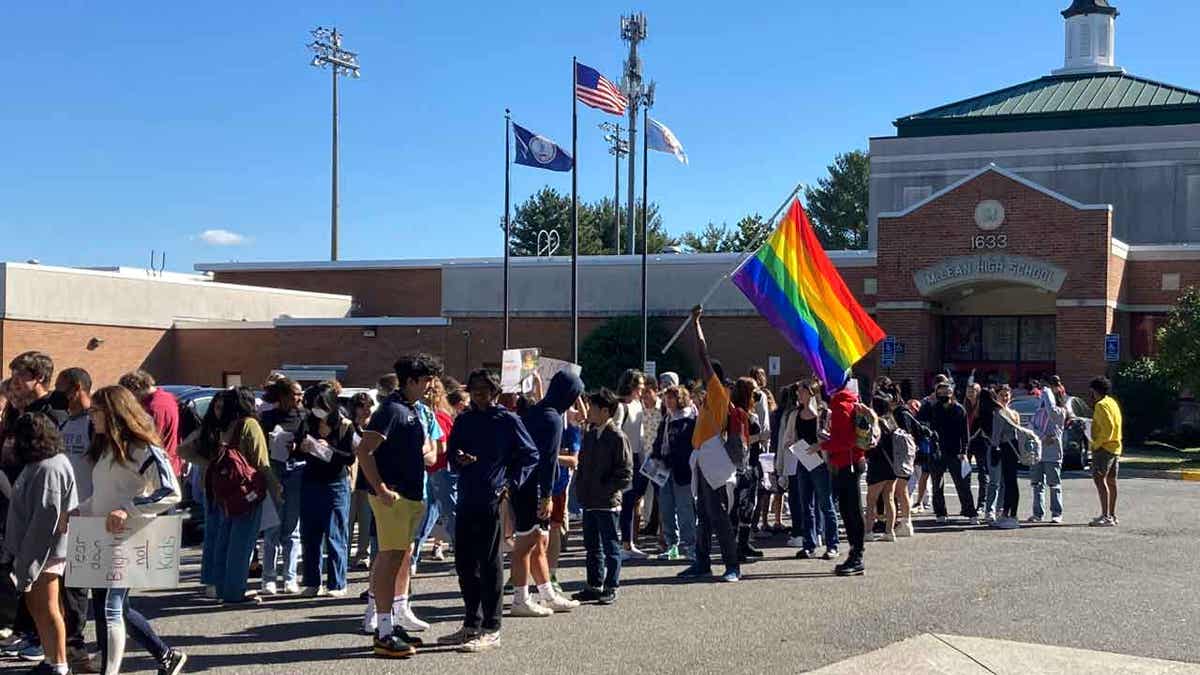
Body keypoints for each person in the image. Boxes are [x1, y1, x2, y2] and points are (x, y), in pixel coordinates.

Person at [78, 386, 186, 675]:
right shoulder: (106, 449)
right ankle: (167, 655)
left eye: (96, 411)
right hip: (102, 537)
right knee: (116, 608)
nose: (91, 418)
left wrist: (128, 509)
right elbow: (104, 496)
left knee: (111, 608)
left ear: (113, 413)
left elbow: (170, 491)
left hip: (129, 538)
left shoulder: (145, 448)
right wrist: (79, 511)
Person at [436, 369, 538, 654]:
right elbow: (452, 452)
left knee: (490, 563)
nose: (478, 395)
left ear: (495, 392)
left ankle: (492, 628)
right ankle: (471, 622)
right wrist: (458, 459)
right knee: (465, 564)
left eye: (484, 390)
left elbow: (531, 454)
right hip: (466, 495)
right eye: (475, 390)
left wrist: (511, 483)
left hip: (492, 498)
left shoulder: (507, 420)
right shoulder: (465, 419)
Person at [355, 355, 443, 658]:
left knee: (399, 558)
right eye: (427, 379)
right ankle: (383, 631)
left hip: (409, 496)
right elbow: (364, 450)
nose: (431, 385)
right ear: (411, 381)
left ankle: (390, 622)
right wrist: (380, 488)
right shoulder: (391, 410)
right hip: (392, 498)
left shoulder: (410, 410)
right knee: (389, 559)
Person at [3, 413, 76, 675]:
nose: (11, 444)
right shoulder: (40, 464)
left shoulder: (49, 468)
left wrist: (27, 564)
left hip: (43, 553)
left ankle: (59, 665)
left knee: (48, 608)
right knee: (37, 607)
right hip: (33, 551)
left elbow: (45, 519)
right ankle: (50, 659)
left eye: (15, 438)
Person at [193, 387, 280, 604]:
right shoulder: (249, 425)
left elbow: (188, 448)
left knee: (224, 540)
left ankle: (222, 587)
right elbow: (261, 462)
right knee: (242, 543)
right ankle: (235, 591)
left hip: (222, 491)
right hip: (245, 490)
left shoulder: (223, 426)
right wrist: (276, 488)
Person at [511, 370, 584, 616]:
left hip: (523, 484)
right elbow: (548, 460)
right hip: (534, 487)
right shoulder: (552, 418)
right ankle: (520, 599)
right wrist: (547, 495)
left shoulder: (537, 410)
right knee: (526, 544)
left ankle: (547, 594)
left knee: (538, 541)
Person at [677, 306, 742, 583]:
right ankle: (702, 562)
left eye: (705, 376)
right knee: (703, 514)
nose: (701, 379)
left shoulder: (718, 393)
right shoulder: (709, 400)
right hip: (704, 459)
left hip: (714, 460)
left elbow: (702, 354)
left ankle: (732, 566)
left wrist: (696, 324)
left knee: (718, 516)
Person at [51, 368, 98, 672]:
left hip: (90, 513)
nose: (59, 395)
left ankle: (78, 647)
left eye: (62, 388)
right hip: (67, 514)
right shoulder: (67, 421)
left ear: (77, 387)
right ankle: (72, 645)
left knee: (81, 585)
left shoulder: (95, 423)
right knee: (70, 585)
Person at [570, 389, 633, 605]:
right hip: (589, 500)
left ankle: (611, 585)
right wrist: (582, 489)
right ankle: (594, 584)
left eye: (593, 408)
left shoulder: (617, 436)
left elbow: (625, 473)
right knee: (592, 546)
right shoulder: (590, 434)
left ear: (605, 411)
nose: (589, 411)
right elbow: (583, 465)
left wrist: (606, 489)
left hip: (606, 502)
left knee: (610, 546)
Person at [298, 383, 357, 597]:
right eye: (312, 405)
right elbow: (296, 451)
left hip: (335, 483)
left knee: (335, 533)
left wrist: (327, 447)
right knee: (310, 534)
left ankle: (337, 583)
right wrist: (299, 448)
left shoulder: (344, 425)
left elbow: (349, 457)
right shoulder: (307, 422)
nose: (315, 409)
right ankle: (312, 582)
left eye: (320, 405)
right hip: (311, 481)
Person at [259, 377, 306, 595]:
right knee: (272, 527)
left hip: (297, 469)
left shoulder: (304, 417)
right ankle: (268, 577)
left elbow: (312, 443)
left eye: (300, 394)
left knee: (292, 528)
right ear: (283, 396)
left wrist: (299, 445)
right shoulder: (267, 418)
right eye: (295, 394)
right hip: (275, 470)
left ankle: (290, 577)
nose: (299, 398)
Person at [412, 378, 457, 571]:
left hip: (441, 470)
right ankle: (413, 557)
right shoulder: (424, 414)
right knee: (426, 516)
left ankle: (463, 556)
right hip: (429, 471)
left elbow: (443, 447)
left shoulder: (439, 416)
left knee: (450, 514)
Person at [791, 379, 839, 560]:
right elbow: (793, 435)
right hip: (803, 461)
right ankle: (808, 544)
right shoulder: (796, 414)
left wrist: (819, 447)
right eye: (798, 392)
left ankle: (832, 545)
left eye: (802, 392)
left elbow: (832, 437)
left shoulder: (824, 414)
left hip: (820, 463)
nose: (799, 395)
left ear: (812, 394)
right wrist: (793, 444)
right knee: (806, 505)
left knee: (826, 505)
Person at [824, 380, 866, 576]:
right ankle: (855, 553)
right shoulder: (849, 401)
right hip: (850, 462)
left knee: (851, 511)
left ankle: (857, 555)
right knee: (850, 510)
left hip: (846, 463)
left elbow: (845, 440)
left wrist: (823, 445)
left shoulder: (840, 406)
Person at [921, 380, 978, 525]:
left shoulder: (959, 409)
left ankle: (970, 512)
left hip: (956, 451)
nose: (943, 395)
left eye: (946, 392)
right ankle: (940, 513)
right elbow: (921, 422)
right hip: (936, 450)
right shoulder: (932, 408)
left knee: (962, 484)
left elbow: (965, 433)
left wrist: (964, 450)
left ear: (952, 393)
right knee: (937, 484)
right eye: (940, 393)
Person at [652, 385, 697, 561]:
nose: (667, 401)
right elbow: (658, 441)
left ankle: (691, 546)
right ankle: (672, 545)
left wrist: (671, 457)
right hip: (664, 470)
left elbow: (686, 447)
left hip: (682, 470)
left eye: (671, 398)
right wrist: (656, 455)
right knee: (666, 508)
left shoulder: (689, 419)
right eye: (666, 398)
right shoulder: (666, 419)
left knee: (685, 508)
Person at [548, 397, 585, 591]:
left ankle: (551, 574)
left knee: (554, 529)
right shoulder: (541, 421)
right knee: (528, 534)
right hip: (536, 485)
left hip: (558, 486)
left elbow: (573, 460)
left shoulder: (571, 430)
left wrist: (549, 456)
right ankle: (516, 576)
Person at [118, 370, 182, 478]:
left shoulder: (154, 408)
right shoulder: (168, 397)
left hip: (158, 470)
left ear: (135, 388)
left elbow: (149, 441)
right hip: (170, 464)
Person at [613, 369, 648, 559]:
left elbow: (640, 434)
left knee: (633, 500)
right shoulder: (620, 406)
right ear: (631, 386)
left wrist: (643, 458)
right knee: (624, 501)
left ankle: (629, 542)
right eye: (640, 385)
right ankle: (624, 544)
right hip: (624, 459)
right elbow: (616, 433)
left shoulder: (638, 404)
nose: (642, 389)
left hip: (636, 457)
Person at [1028, 387, 1067, 524]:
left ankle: (1057, 513)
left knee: (1054, 485)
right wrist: (1043, 437)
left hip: (1053, 455)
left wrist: (1047, 391)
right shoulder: (1038, 413)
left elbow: (1051, 410)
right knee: (1037, 485)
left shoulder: (1059, 412)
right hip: (1037, 454)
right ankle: (1037, 514)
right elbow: (1031, 428)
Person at [1088, 377, 1123, 527]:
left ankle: (1106, 515)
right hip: (1115, 447)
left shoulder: (1101, 405)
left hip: (1104, 448)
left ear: (1095, 391)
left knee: (1100, 480)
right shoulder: (1112, 402)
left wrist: (1096, 444)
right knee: (1111, 482)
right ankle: (1112, 515)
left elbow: (1107, 428)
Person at [864, 393, 897, 543]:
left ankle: (868, 531)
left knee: (871, 500)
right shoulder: (892, 421)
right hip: (892, 465)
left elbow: (871, 445)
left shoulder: (877, 423)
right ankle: (889, 531)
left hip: (878, 465)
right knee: (889, 498)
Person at [990, 385, 1022, 530]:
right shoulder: (1014, 413)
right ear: (996, 396)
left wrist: (994, 449)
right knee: (1010, 482)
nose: (1005, 397)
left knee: (1009, 482)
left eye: (1007, 395)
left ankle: (1010, 515)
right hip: (1012, 448)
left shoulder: (1000, 412)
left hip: (1005, 447)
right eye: (1002, 395)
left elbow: (996, 435)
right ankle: (1008, 514)